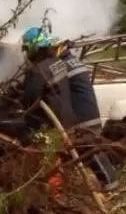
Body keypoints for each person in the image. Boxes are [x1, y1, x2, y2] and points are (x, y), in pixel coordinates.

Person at [19, 27, 120, 192]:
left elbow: (35, 94)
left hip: (82, 118)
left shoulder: (56, 66)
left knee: (89, 151)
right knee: (85, 152)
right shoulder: (67, 63)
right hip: (81, 115)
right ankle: (104, 185)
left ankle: (110, 186)